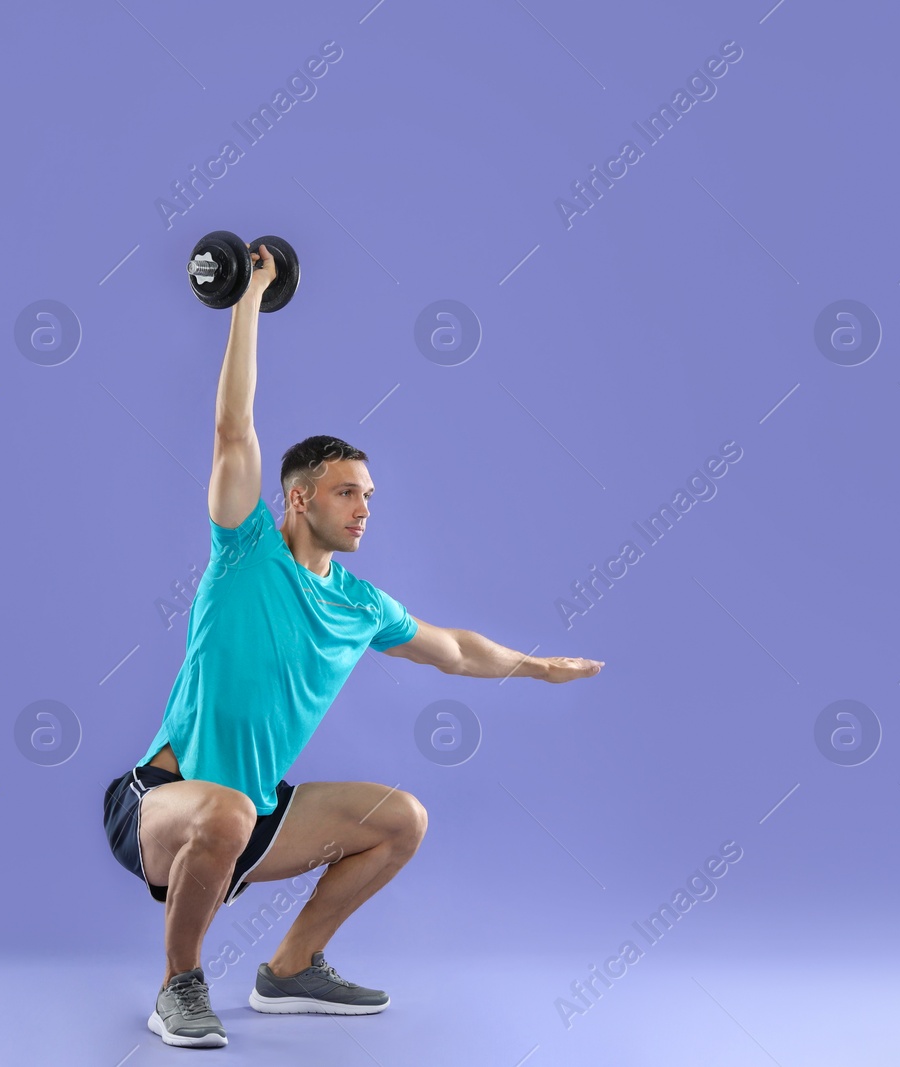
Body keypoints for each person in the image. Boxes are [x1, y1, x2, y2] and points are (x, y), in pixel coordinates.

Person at [101, 243, 605, 1049]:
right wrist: (248, 299)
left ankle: (292, 966)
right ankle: (179, 986)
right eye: (347, 493)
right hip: (162, 806)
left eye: (369, 496)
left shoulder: (360, 605)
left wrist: (536, 666)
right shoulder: (246, 552)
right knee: (224, 807)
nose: (364, 508)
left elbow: (456, 648)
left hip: (256, 817)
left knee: (399, 817)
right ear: (297, 498)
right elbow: (234, 429)